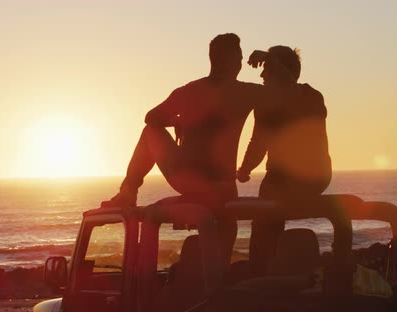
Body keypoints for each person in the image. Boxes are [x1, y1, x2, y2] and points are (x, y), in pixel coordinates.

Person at [102, 33, 262, 266]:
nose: (240, 62)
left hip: (189, 181)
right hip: (225, 188)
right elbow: (287, 93)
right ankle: (221, 283)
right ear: (229, 60)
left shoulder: (189, 91)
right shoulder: (246, 92)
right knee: (224, 244)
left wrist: (179, 121)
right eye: (238, 56)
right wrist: (270, 58)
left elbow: (152, 118)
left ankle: (128, 191)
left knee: (150, 133)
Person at [236, 46, 344, 273]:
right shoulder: (311, 96)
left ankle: (260, 269)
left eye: (267, 69)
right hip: (316, 179)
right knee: (268, 210)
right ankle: (272, 265)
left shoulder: (309, 97)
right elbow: (258, 142)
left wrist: (269, 58)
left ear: (280, 69)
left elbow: (259, 143)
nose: (262, 75)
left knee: (265, 212)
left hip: (294, 180)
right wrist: (244, 169)